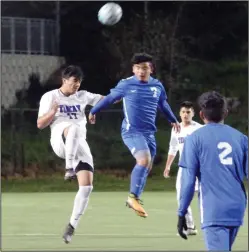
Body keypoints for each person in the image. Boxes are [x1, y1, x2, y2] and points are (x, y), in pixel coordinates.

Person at [89, 53, 181, 218]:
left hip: (149, 133)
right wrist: (94, 110)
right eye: (138, 68)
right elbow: (110, 98)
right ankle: (132, 198)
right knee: (143, 161)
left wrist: (172, 119)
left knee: (147, 166)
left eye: (144, 68)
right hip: (131, 131)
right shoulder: (126, 84)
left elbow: (162, 103)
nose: (141, 71)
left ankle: (135, 198)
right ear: (133, 69)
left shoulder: (157, 86)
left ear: (151, 69)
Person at [37, 65, 103, 244]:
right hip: (60, 141)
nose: (77, 85)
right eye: (74, 81)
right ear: (64, 81)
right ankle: (68, 168)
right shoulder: (50, 97)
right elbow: (40, 124)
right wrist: (52, 111)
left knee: (87, 187)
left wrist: (127, 92)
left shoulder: (83, 96)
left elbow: (108, 99)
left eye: (79, 82)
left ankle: (71, 226)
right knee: (72, 128)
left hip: (80, 145)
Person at [177, 91, 248, 251]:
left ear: (201, 114)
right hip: (237, 207)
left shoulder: (194, 139)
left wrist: (182, 212)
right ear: (226, 113)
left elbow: (188, 182)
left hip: (213, 208)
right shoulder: (241, 138)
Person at [164, 101, 202, 235]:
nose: (186, 114)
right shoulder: (176, 128)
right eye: (183, 112)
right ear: (179, 114)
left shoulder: (199, 128)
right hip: (184, 168)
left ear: (193, 114)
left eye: (188, 112)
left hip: (200, 168)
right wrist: (167, 166)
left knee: (203, 196)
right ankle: (190, 227)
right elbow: (173, 148)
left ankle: (213, 224)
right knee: (181, 196)